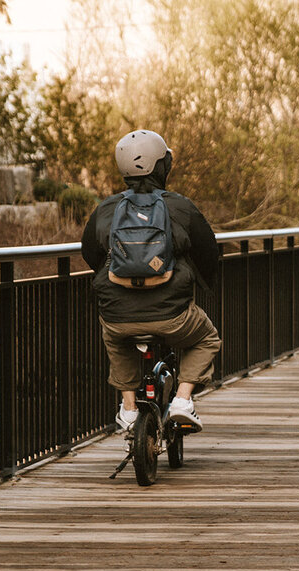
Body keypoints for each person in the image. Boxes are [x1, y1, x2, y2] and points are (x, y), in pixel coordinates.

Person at [81, 129, 221, 433]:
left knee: (115, 338)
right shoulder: (180, 207)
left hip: (119, 314)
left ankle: (129, 410)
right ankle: (183, 400)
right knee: (206, 338)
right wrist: (200, 280)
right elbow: (209, 252)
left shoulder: (106, 209)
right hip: (173, 316)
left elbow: (90, 254)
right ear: (162, 166)